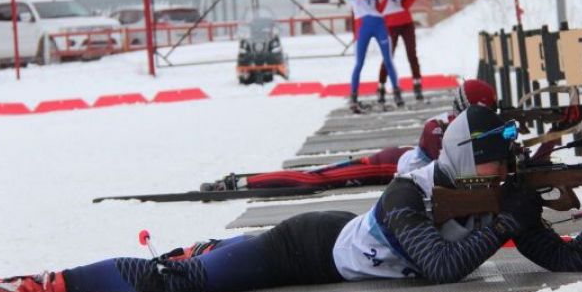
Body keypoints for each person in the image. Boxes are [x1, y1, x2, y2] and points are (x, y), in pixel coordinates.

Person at [0, 106, 582, 292]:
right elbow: (440, 268)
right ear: (462, 156)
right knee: (179, 282)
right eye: (491, 160)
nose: (501, 172)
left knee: (205, 264)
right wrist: (508, 223)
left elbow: (568, 259)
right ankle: (49, 282)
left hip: (344, 244)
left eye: (504, 162)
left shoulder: (494, 195)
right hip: (304, 247)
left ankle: (209, 251)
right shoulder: (408, 193)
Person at [204, 78, 499, 191]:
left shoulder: (457, 125)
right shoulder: (437, 127)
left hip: (403, 168)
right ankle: (241, 183)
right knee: (316, 179)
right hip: (390, 165)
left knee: (319, 176)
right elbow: (458, 171)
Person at [343, 0, 402, 113]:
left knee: (388, 60)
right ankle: (353, 96)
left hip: (379, 24)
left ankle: (397, 93)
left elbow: (381, 6)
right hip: (362, 26)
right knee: (359, 63)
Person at [376, 0, 424, 103]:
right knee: (388, 57)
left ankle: (417, 85)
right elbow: (380, 8)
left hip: (406, 23)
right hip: (390, 25)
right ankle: (381, 87)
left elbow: (406, 5)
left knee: (412, 54)